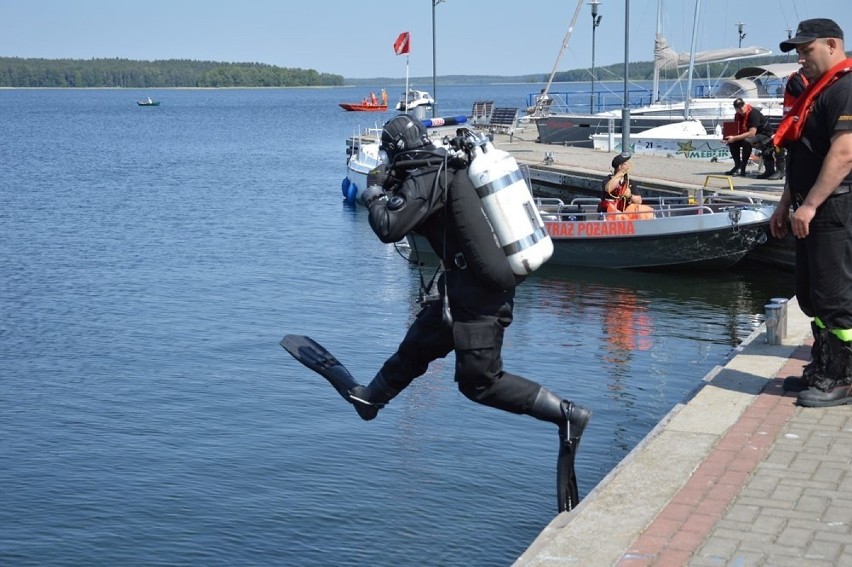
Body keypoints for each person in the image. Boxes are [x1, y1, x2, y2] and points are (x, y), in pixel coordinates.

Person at [355, 115, 590, 510]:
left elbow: (389, 227)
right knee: (419, 344)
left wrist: (374, 192)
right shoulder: (440, 166)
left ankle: (568, 414)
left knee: (479, 381)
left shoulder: (427, 176)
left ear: (393, 148)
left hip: (480, 298)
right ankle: (371, 398)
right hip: (462, 289)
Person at [768, 18, 852, 407]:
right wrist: (787, 204)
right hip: (808, 204)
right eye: (799, 52)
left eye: (807, 50)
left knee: (836, 296)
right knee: (812, 295)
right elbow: (801, 153)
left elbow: (844, 154)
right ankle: (823, 366)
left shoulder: (846, 89)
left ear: (833, 45)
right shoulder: (815, 93)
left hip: (833, 207)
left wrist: (812, 204)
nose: (801, 59)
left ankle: (844, 378)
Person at [723, 98, 776, 177]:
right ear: (735, 109)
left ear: (744, 104)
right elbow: (736, 130)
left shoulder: (753, 113)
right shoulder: (737, 115)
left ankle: (743, 167)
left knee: (746, 141)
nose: (741, 108)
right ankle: (737, 165)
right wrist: (727, 138)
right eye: (738, 107)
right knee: (733, 143)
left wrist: (734, 138)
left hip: (764, 134)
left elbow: (752, 133)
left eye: (742, 106)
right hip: (753, 135)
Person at [598, 153, 653, 219]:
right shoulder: (608, 180)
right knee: (617, 215)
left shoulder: (630, 182)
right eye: (626, 163)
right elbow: (608, 188)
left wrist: (630, 196)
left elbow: (639, 201)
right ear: (620, 166)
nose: (628, 165)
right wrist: (621, 172)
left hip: (625, 215)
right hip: (609, 215)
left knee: (643, 209)